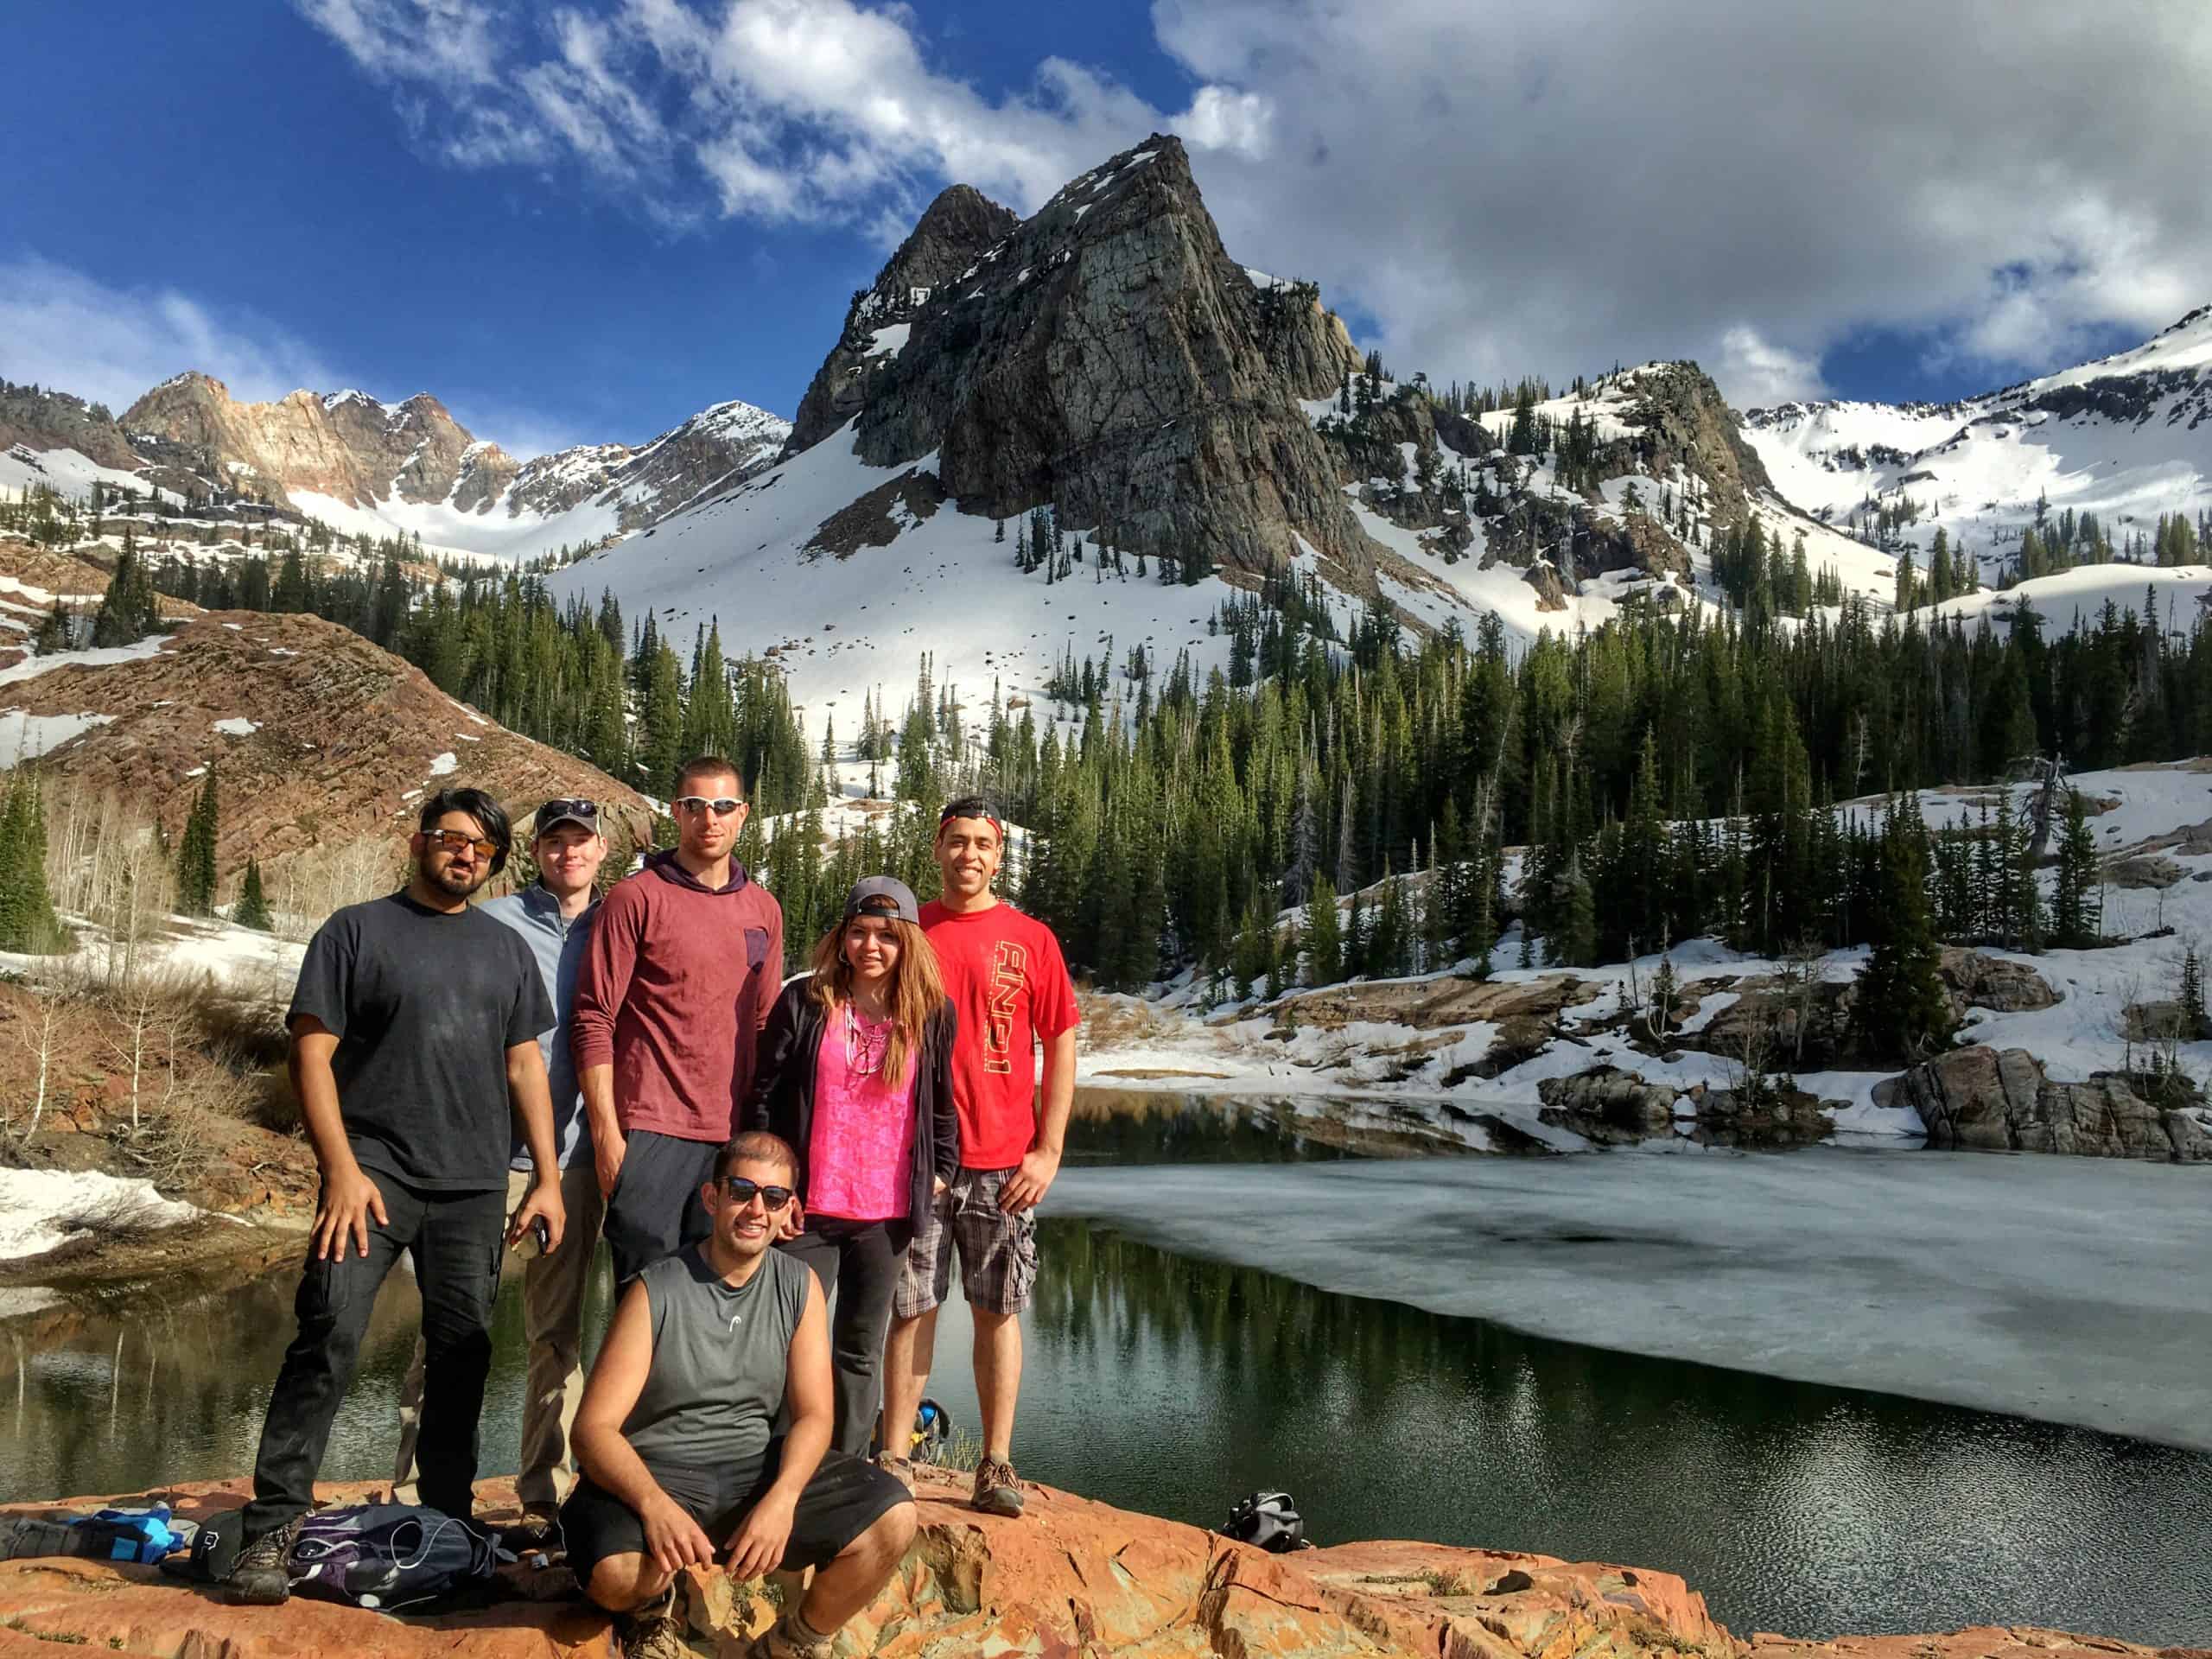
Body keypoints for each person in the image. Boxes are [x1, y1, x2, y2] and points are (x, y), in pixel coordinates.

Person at [222, 789, 565, 1606]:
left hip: (475, 1183)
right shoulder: (355, 931)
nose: (466, 858)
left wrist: (547, 1178)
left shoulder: (504, 951)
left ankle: (445, 1528)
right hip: (370, 1176)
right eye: (453, 841)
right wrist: (339, 1168)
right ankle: (272, 1526)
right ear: (419, 843)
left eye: (483, 851)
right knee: (331, 1332)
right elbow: (312, 1055)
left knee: (462, 1356)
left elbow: (525, 1068)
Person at [563, 1132, 915, 1659]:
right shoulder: (654, 1289)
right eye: (742, 1191)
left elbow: (816, 1415)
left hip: (753, 1468)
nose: (756, 1209)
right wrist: (653, 1504)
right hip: (661, 1471)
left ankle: (793, 1642)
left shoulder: (799, 1286)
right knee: (615, 1574)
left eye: (773, 1198)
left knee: (895, 1519)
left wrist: (783, 1499)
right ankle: (649, 1612)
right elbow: (593, 1429)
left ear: (789, 1210)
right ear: (712, 1198)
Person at [391, 797, 609, 1546]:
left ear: (601, 850)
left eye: (580, 841)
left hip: (574, 1161)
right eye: (554, 841)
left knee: (557, 1336)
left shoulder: (618, 926)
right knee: (449, 1330)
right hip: (479, 1158)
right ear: (536, 851)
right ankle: (416, 1491)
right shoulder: (493, 922)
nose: (567, 853)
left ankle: (543, 1494)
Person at [880, 798, 1079, 1516]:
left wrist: (1048, 1149)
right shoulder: (910, 931)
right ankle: (896, 1455)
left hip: (1003, 1162)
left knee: (998, 1308)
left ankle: (995, 1464)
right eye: (956, 841)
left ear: (999, 856)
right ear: (937, 849)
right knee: (911, 1307)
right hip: (920, 1157)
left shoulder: (1031, 939)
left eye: (982, 844)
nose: (969, 854)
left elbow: (1061, 1041)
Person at [747, 876, 960, 1462]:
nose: (871, 947)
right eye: (859, 933)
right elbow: (764, 1099)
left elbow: (942, 1103)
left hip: (885, 1214)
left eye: (887, 937)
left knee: (859, 1350)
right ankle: (780, 1471)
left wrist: (942, 1170)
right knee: (793, 1344)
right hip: (807, 1208)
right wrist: (774, 1188)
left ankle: (843, 1475)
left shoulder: (932, 1013)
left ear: (907, 943)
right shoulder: (806, 1001)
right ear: (841, 938)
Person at [572, 755, 784, 1285]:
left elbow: (764, 1028)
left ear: (743, 815)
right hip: (650, 1129)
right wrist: (606, 1136)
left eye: (723, 807)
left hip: (731, 1136)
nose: (708, 819)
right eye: (695, 806)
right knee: (644, 1292)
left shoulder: (764, 910)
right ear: (676, 812)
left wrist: (765, 1142)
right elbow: (594, 1017)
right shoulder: (635, 897)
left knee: (713, 1297)